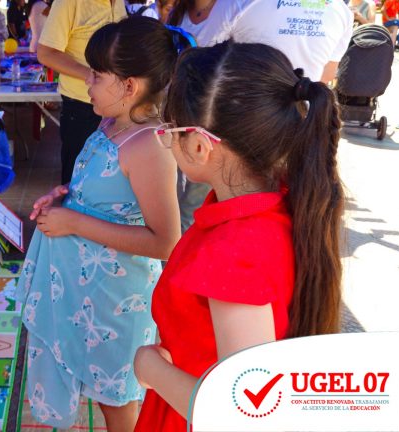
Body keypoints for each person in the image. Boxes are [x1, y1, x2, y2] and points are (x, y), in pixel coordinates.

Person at [133, 41, 344, 431]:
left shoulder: (233, 252)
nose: (166, 140)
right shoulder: (278, 204)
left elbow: (242, 413)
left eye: (170, 131)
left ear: (199, 145)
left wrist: (150, 369)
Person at [18, 17, 183, 431]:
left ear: (129, 86)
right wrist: (64, 196)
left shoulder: (149, 145)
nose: (87, 82)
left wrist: (74, 222)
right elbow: (102, 194)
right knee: (90, 376)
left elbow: (165, 241)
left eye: (96, 74)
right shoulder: (110, 123)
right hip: (85, 291)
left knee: (115, 398)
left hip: (117, 300)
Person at [167, 0, 251, 233]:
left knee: (195, 201)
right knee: (172, 194)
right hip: (177, 115)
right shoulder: (178, 12)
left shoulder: (236, 9)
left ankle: (184, 245)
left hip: (211, 122)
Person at [37, 0, 127, 185]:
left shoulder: (118, 2)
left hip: (117, 107)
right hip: (82, 107)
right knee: (77, 179)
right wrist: (93, 75)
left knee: (108, 177)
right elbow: (46, 53)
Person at [228, 0, 354, 83]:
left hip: (242, 103)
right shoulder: (342, 11)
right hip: (302, 107)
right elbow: (327, 75)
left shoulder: (237, 3)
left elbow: (214, 49)